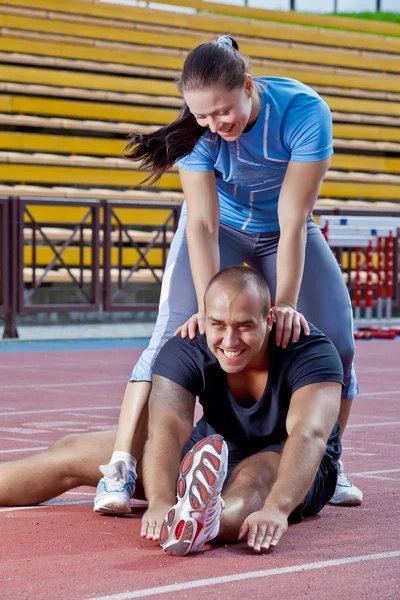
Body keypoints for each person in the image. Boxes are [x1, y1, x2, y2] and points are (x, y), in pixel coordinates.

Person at [93, 34, 362, 514]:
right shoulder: (198, 132)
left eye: (222, 112)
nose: (213, 125)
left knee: (337, 339)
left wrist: (284, 304)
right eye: (200, 116)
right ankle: (119, 467)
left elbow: (293, 219)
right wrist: (206, 308)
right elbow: (200, 222)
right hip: (224, 228)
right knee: (169, 336)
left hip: (284, 229)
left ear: (249, 86)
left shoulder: (304, 112)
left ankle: (330, 462)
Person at [0, 267, 345, 556]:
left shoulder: (310, 351)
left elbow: (309, 435)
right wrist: (160, 500)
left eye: (244, 326)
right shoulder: (186, 347)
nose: (229, 340)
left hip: (289, 460)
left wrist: (277, 509)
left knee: (253, 480)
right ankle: (186, 506)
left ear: (269, 318)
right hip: (209, 450)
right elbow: (165, 428)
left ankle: (198, 522)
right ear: (203, 318)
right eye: (219, 324)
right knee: (70, 450)